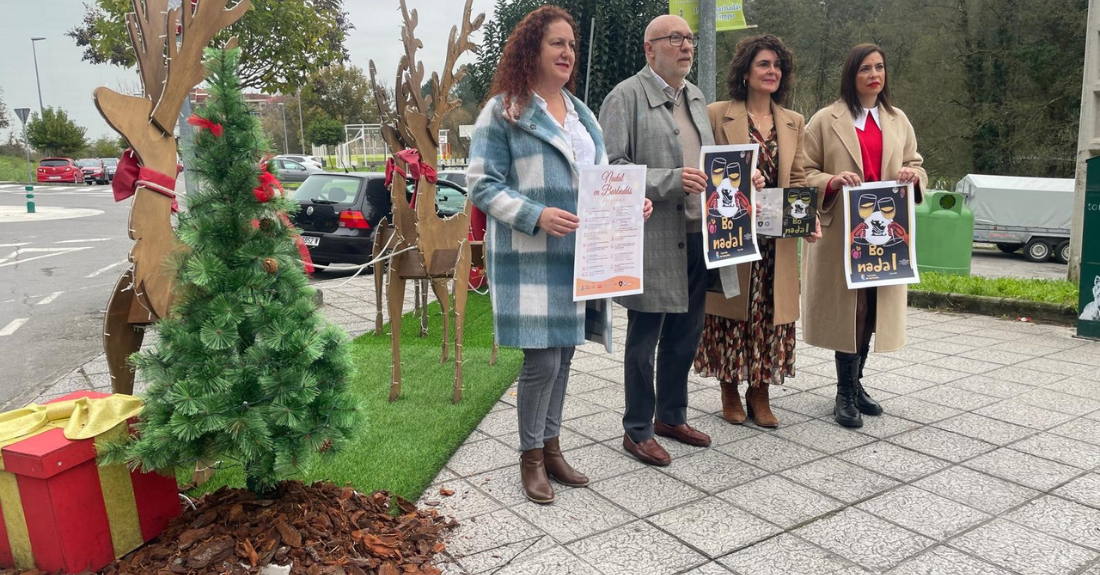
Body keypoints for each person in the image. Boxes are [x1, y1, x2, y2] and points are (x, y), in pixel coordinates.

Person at [467, 6, 652, 504]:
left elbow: (600, 179)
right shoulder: (504, 110)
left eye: (571, 44)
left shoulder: (582, 113)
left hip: (582, 258)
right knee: (542, 362)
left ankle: (551, 447)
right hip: (531, 259)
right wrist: (535, 214)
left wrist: (631, 202)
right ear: (532, 50)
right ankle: (530, 457)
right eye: (557, 43)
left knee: (565, 355)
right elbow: (481, 184)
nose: (568, 52)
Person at [599, 14, 741, 466]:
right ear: (649, 48)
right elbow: (611, 169)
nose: (686, 46)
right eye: (675, 39)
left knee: (687, 332)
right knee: (645, 336)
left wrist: (741, 175)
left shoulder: (697, 97)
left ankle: (671, 416)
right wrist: (669, 180)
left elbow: (712, 162)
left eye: (690, 39)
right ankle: (637, 428)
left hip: (701, 231)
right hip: (653, 235)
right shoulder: (624, 96)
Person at [694, 34, 819, 429]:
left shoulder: (793, 121)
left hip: (775, 241)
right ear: (745, 72)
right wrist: (743, 181)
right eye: (764, 64)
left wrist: (806, 219)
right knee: (732, 313)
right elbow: (707, 168)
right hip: (731, 232)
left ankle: (759, 392)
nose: (772, 72)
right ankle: (729, 388)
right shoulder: (717, 114)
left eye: (777, 66)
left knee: (768, 316)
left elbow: (797, 179)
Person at [801, 43, 927, 428]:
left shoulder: (897, 119)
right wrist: (833, 181)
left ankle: (856, 384)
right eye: (866, 69)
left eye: (880, 67)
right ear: (851, 75)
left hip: (886, 236)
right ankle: (843, 392)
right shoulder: (825, 120)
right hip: (844, 232)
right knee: (849, 310)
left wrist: (911, 175)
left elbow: (916, 165)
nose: (875, 74)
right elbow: (803, 172)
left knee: (873, 308)